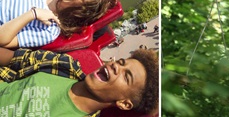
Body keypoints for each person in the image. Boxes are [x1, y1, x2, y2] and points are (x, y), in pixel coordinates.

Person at [0, 47, 159, 116]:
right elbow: (12, 58)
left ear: (124, 103)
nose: (116, 66)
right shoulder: (64, 64)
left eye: (127, 76)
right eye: (121, 62)